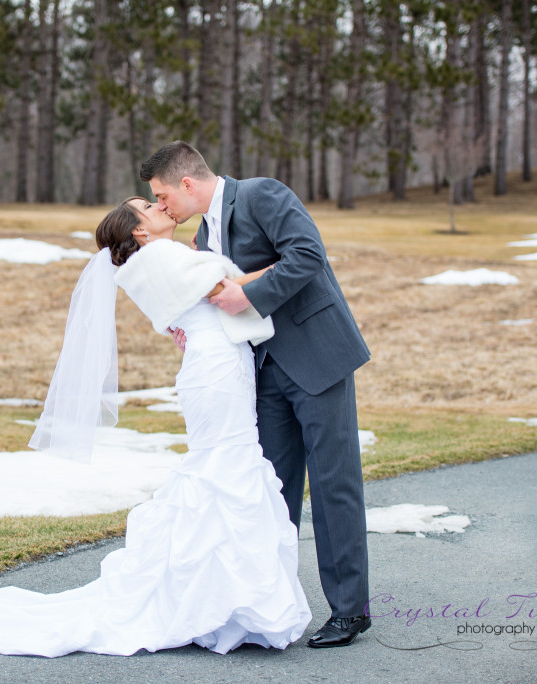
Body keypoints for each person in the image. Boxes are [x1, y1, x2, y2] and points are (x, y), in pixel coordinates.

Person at [0, 197, 311, 657]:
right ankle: (226, 603)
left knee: (225, 468)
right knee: (227, 469)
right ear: (139, 231)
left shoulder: (148, 264)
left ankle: (222, 602)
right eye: (147, 206)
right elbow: (227, 290)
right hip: (216, 368)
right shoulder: (161, 255)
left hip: (214, 366)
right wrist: (287, 264)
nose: (160, 206)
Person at [139, 141, 372, 648]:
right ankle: (271, 605)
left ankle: (351, 611)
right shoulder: (201, 234)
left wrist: (248, 293)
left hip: (317, 357)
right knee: (271, 491)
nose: (161, 207)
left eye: (161, 195)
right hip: (262, 373)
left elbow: (308, 255)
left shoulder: (263, 195)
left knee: (334, 485)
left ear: (185, 183)